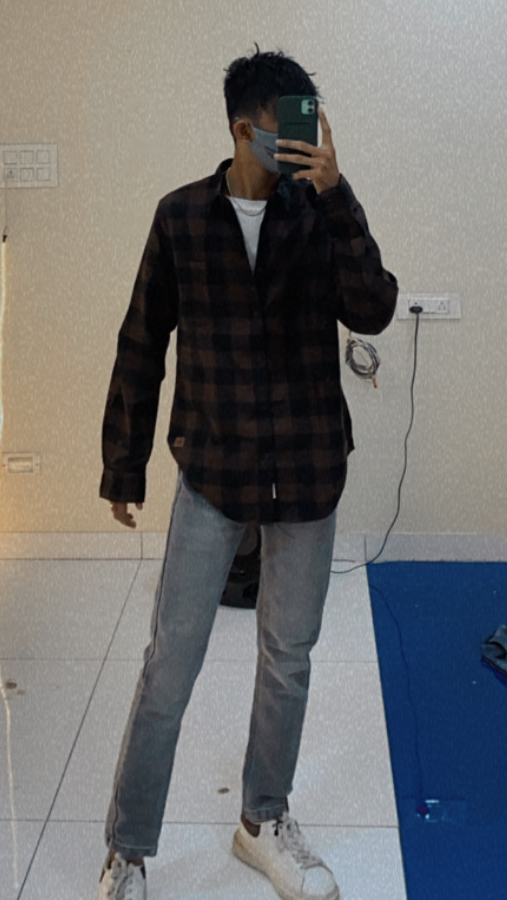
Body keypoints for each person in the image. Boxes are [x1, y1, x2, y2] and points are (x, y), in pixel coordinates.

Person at [97, 47, 398, 900]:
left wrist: (339, 195)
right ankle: (128, 850)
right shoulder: (181, 217)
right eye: (284, 123)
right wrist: (123, 462)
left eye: (311, 120)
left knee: (288, 659)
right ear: (242, 128)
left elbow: (373, 306)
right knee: (170, 666)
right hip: (213, 466)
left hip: (306, 467)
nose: (301, 138)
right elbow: (141, 340)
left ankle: (263, 821)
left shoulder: (320, 213)